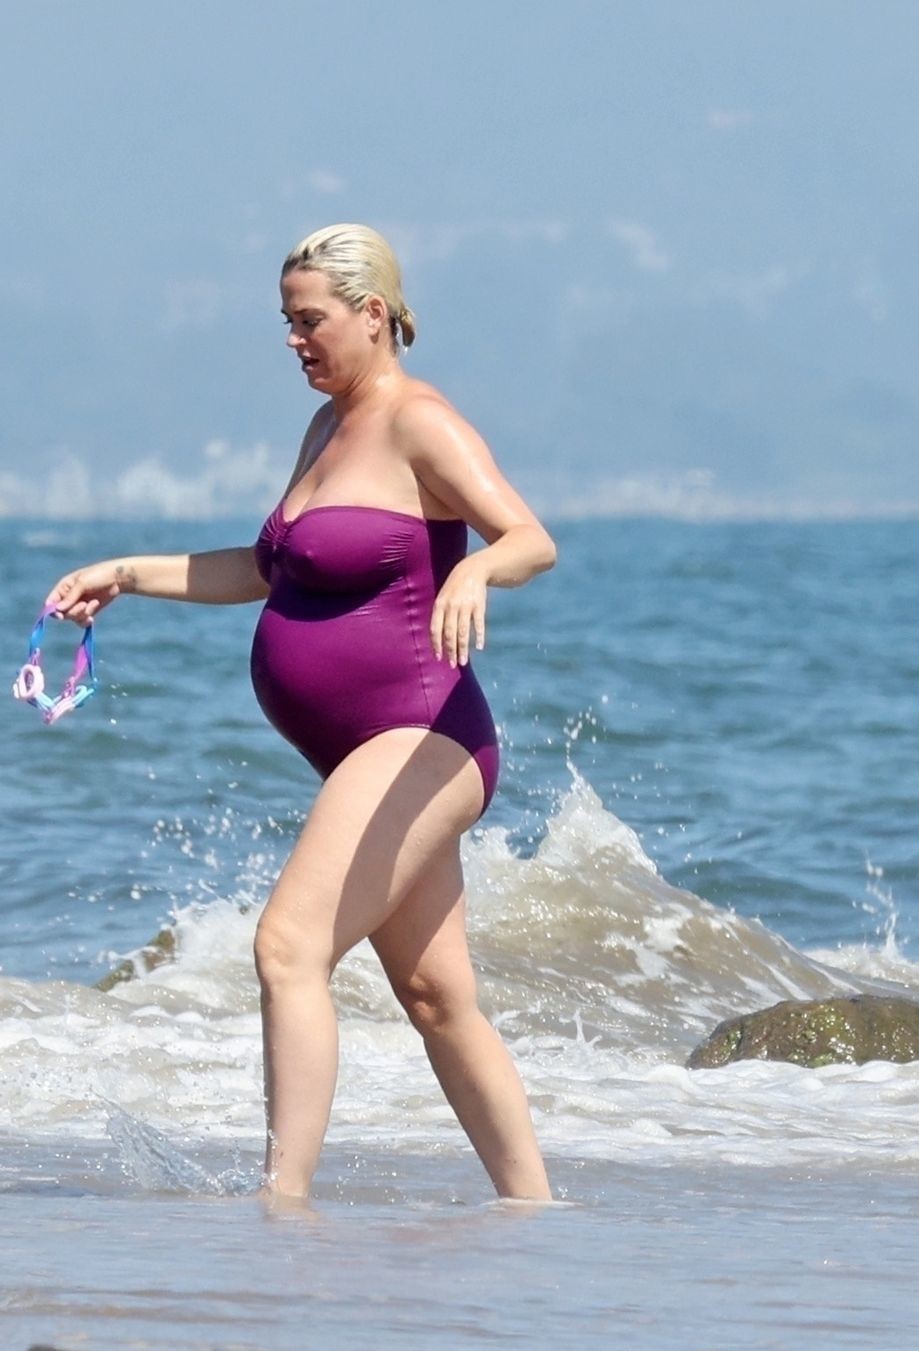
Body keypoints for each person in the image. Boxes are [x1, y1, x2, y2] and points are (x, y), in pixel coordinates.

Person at [48, 223, 556, 1201]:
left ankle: (282, 1202)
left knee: (286, 946)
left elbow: (530, 538)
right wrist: (126, 573)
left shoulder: (421, 422)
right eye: (286, 321)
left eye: (310, 320)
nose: (293, 339)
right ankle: (536, 1208)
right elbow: (266, 567)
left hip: (426, 735)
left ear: (373, 314)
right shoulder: (326, 428)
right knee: (437, 996)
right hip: (367, 749)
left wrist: (479, 570)